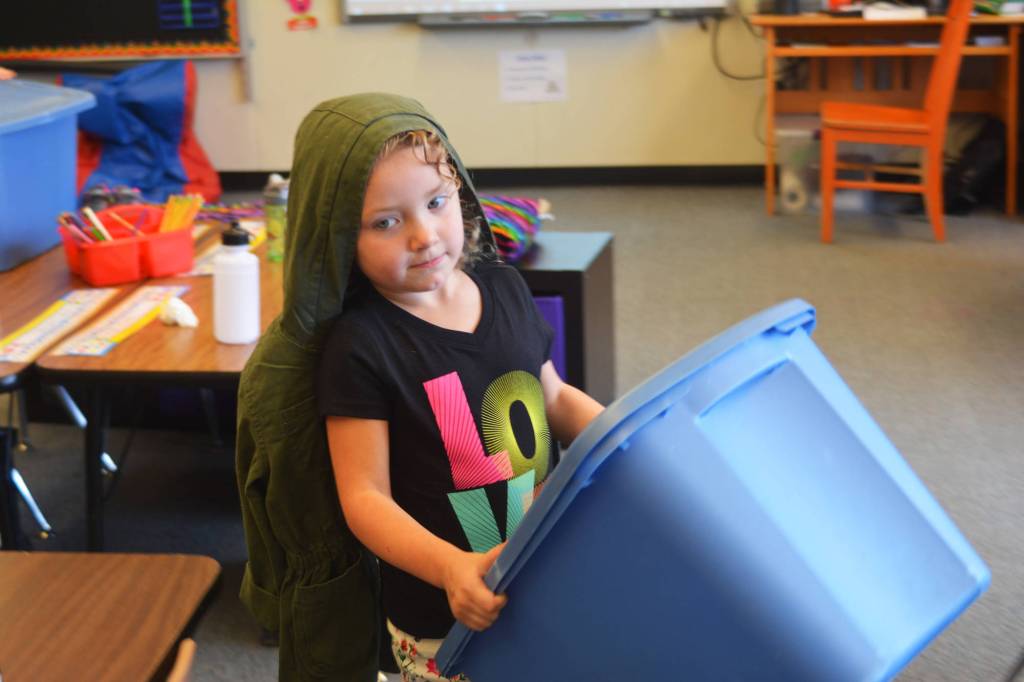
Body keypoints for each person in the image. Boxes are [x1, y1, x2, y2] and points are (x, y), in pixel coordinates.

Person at [236, 93, 602, 682]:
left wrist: (616, 435)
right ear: (338, 239)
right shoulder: (361, 346)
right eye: (386, 221)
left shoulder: (505, 288)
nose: (424, 236)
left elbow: (553, 397)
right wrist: (452, 568)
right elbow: (365, 500)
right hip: (441, 614)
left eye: (436, 203)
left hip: (540, 567)